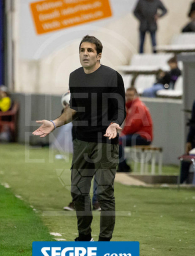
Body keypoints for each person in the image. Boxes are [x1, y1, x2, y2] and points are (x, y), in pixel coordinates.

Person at [33, 35, 126, 241]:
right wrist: (55, 123)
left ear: (99, 55)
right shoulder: (74, 76)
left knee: (104, 194)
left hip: (105, 141)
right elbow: (73, 108)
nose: (85, 53)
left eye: (90, 50)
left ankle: (104, 242)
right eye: (82, 50)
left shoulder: (112, 76)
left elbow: (120, 109)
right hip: (82, 141)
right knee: (78, 192)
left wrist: (114, 124)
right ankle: (84, 238)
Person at [118, 87, 153, 172]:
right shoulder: (133, 106)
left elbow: (134, 124)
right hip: (140, 135)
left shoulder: (137, 106)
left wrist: (123, 133)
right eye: (127, 95)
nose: (128, 97)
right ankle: (123, 166)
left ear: (136, 96)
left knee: (118, 140)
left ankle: (123, 167)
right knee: (118, 140)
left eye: (130, 95)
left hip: (143, 137)